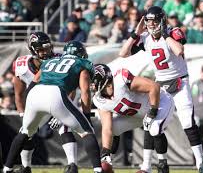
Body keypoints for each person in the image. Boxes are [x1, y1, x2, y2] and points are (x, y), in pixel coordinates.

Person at [119, 6, 203, 170]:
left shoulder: (174, 32)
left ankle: (201, 162)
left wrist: (165, 34)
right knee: (151, 124)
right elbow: (123, 53)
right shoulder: (146, 38)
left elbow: (179, 50)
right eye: (148, 21)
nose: (150, 24)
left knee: (187, 122)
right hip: (161, 86)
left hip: (180, 82)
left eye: (153, 20)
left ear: (162, 20)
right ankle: (151, 165)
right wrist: (136, 33)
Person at [3, 41, 103, 173]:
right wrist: (86, 115)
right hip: (56, 94)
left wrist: (29, 105)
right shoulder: (82, 63)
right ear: (81, 54)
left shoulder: (50, 61)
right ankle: (97, 170)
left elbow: (34, 81)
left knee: (25, 132)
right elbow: (85, 92)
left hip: (35, 94)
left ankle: (6, 169)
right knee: (87, 131)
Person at [10, 32, 78, 173]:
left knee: (65, 127)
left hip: (58, 102)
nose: (46, 52)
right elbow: (18, 94)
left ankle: (72, 165)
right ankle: (25, 167)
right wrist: (23, 114)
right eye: (42, 49)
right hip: (36, 106)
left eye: (48, 48)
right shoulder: (22, 66)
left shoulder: (59, 60)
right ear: (33, 50)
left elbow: (72, 89)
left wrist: (64, 109)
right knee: (26, 132)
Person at [92, 64, 174, 173]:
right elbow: (107, 128)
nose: (90, 84)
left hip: (160, 103)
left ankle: (161, 165)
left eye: (92, 80)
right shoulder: (98, 100)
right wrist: (105, 152)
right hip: (138, 114)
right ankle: (108, 163)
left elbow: (154, 86)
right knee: (114, 128)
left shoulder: (121, 80)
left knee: (153, 127)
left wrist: (153, 111)